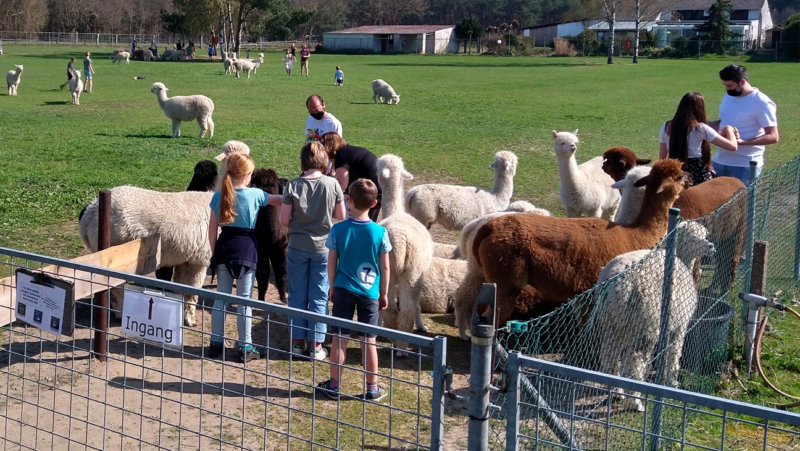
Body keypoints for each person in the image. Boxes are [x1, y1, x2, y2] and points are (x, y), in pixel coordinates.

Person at [317, 178, 391, 401]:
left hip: (343, 289)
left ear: (349, 200)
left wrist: (331, 286)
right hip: (370, 293)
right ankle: (372, 387)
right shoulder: (380, 232)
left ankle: (334, 384)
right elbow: (385, 266)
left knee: (340, 337)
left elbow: (331, 261)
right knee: (369, 339)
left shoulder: (338, 230)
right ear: (375, 202)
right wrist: (384, 292)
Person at [208, 153, 283, 363]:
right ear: (248, 174)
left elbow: (212, 229)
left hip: (225, 248)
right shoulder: (255, 195)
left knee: (220, 298)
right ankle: (245, 346)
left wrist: (214, 253)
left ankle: (215, 343)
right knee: (244, 301)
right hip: (247, 249)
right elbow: (278, 200)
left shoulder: (218, 195)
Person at [280, 141, 346, 360]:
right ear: (324, 161)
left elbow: (284, 219)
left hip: (297, 246)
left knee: (297, 293)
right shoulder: (333, 184)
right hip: (323, 248)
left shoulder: (292, 185)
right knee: (319, 295)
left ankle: (297, 343)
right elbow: (340, 215)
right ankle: (316, 345)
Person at [711, 64, 779, 186]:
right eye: (725, 85)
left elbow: (773, 136)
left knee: (742, 204)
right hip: (719, 162)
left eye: (730, 85)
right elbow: (723, 122)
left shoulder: (761, 102)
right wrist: (704, 125)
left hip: (745, 165)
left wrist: (744, 142)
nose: (727, 89)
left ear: (742, 82)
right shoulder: (729, 96)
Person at [658, 92, 739, 185]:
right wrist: (729, 129)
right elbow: (733, 146)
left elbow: (662, 157)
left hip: (676, 173)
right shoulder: (701, 129)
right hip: (698, 174)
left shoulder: (666, 126)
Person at [319, 132, 382, 221]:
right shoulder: (348, 151)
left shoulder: (341, 156)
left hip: (371, 188)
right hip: (379, 184)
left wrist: (327, 199)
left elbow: (342, 185)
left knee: (360, 220)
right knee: (368, 222)